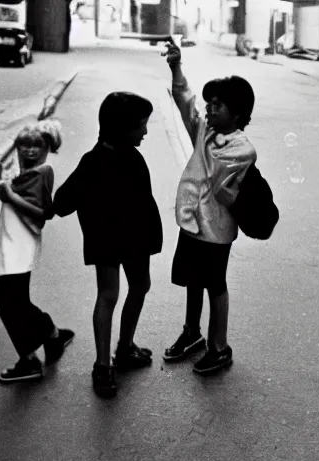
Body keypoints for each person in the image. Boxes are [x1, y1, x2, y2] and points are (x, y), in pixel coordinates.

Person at [53, 92, 164, 398]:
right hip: (108, 240)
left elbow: (145, 204)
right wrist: (41, 204)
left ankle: (125, 347)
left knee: (140, 286)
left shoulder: (133, 158)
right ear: (122, 127)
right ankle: (103, 365)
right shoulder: (93, 161)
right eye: (141, 125)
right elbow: (65, 199)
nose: (145, 131)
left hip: (136, 240)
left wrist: (152, 240)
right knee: (109, 294)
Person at [161, 40, 257, 375]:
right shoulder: (208, 130)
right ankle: (192, 333)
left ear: (239, 115)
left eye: (219, 105)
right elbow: (186, 102)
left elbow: (216, 172)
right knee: (192, 279)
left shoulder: (241, 148)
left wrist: (204, 132)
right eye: (210, 104)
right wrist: (176, 66)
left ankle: (219, 346)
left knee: (215, 283)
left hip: (216, 228)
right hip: (192, 220)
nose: (210, 109)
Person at [0, 120, 75, 383]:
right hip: (11, 242)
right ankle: (51, 335)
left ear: (47, 148)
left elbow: (41, 214)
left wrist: (10, 196)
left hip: (19, 244)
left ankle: (30, 359)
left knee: (7, 303)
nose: (30, 150)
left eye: (37, 145)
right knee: (16, 301)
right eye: (24, 145)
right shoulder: (27, 171)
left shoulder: (41, 172)